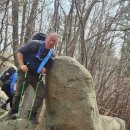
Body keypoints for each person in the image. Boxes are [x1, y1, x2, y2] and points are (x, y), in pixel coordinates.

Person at [10, 32, 58, 124]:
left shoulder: (52, 55)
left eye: (54, 41)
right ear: (46, 38)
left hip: (36, 77)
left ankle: (31, 113)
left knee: (42, 93)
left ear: (56, 43)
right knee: (18, 93)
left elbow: (48, 67)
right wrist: (22, 65)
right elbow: (20, 52)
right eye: (50, 39)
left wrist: (45, 69)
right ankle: (14, 112)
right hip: (24, 72)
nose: (51, 42)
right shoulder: (34, 44)